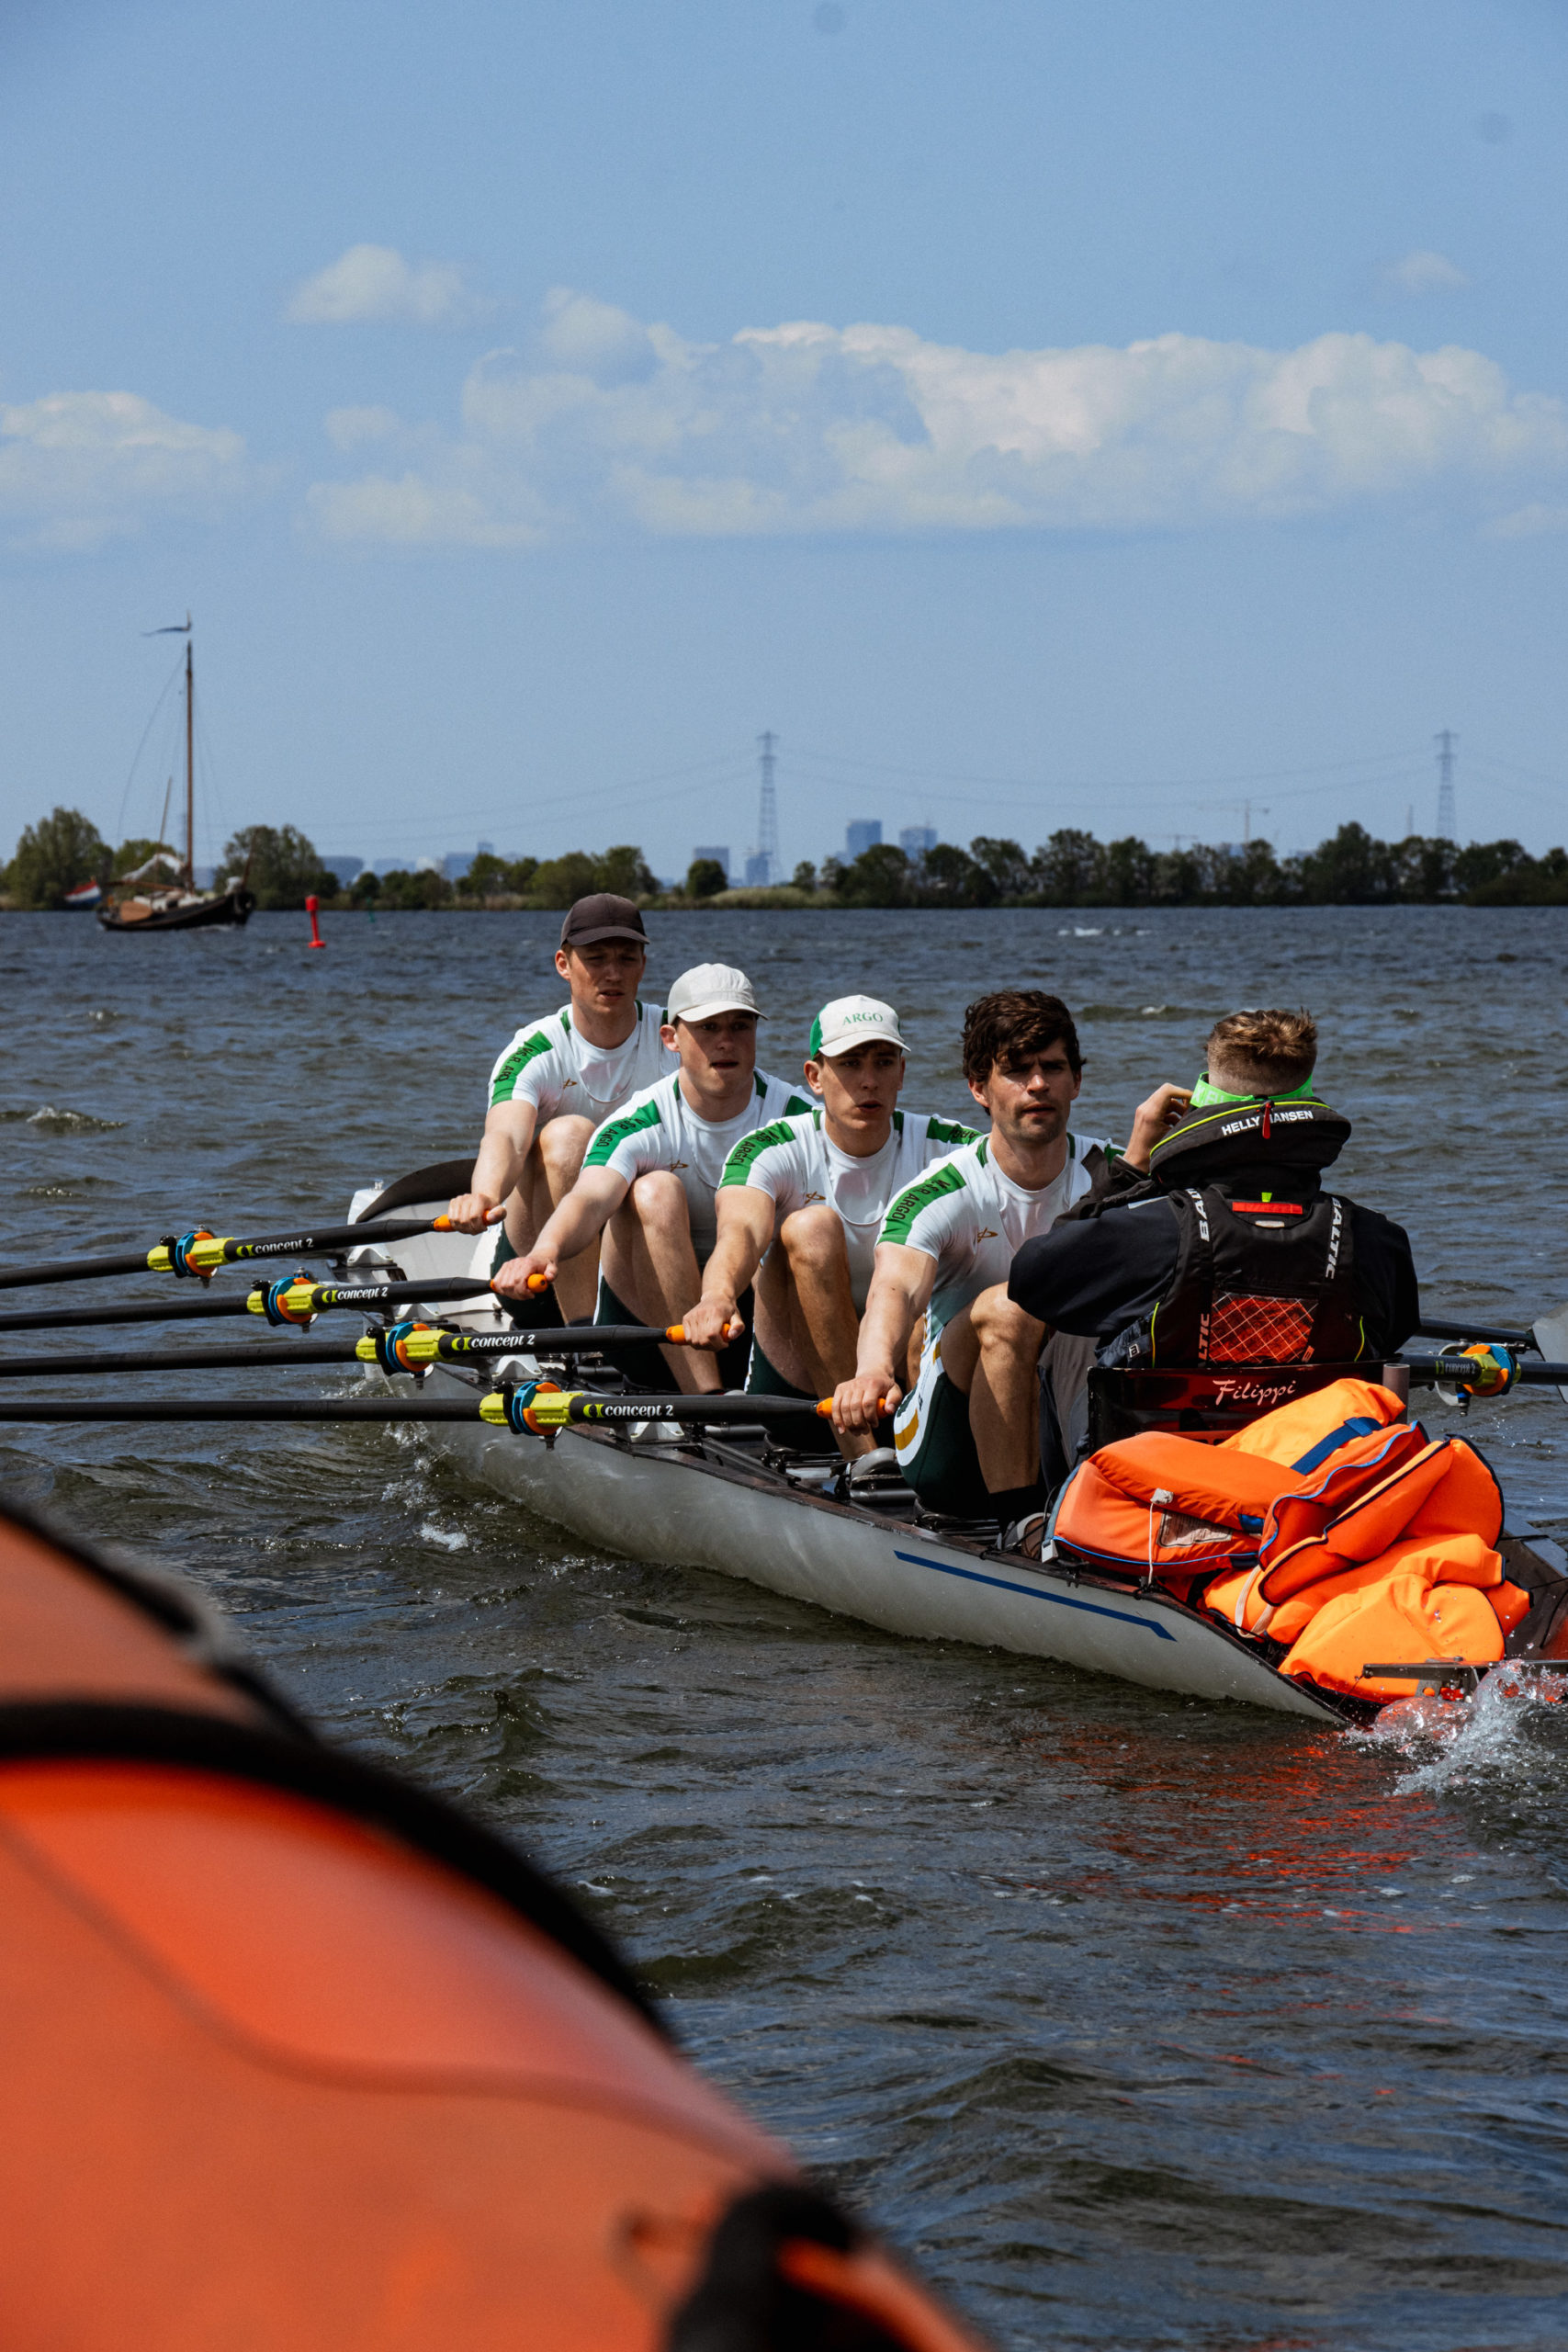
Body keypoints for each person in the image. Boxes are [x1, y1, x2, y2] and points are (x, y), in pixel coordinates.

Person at [1007, 1005, 1420, 1497]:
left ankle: (1045, 1522)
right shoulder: (1377, 1240)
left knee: (1070, 1338)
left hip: (1159, 1490)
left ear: (1204, 1104)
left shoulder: (1149, 1232)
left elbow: (1031, 1278)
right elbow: (1396, 1326)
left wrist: (1130, 1169)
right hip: (1308, 1484)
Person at [831, 990, 1114, 1537]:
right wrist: (871, 1371)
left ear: (1076, 1082)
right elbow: (895, 1291)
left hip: (1060, 1418)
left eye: (1053, 1068)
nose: (1038, 1085)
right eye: (1016, 1071)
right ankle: (1023, 1525)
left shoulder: (1110, 1175)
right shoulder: (943, 1192)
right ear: (979, 1089)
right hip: (945, 1451)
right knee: (1010, 1306)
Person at [679, 997, 977, 1459]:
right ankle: (866, 1456)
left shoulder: (949, 1147)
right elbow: (741, 1232)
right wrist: (717, 1296)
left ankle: (928, 1456)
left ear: (902, 1073)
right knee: (812, 1225)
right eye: (850, 1063)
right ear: (815, 1078)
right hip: (798, 1387)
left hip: (899, 1369)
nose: (868, 1080)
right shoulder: (772, 1148)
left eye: (883, 1062)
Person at [493, 965, 811, 1393]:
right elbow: (588, 1200)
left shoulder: (799, 1117)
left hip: (749, 1324)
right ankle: (709, 1401)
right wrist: (543, 1251)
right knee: (654, 1190)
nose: (725, 1041)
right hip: (647, 1332)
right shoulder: (639, 1121)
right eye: (708, 1027)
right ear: (671, 1039)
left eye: (740, 1026)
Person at [446, 894, 673, 1319]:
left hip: (635, 1246)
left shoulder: (677, 1038)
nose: (612, 973)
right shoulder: (534, 1052)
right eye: (596, 958)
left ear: (643, 966)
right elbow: (507, 1138)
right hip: (534, 1270)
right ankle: (584, 1344)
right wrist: (483, 1194)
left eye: (626, 959)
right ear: (563, 964)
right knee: (570, 1136)